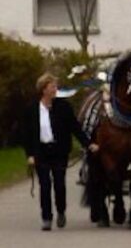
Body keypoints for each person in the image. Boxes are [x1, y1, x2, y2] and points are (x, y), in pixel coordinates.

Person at [22, 73, 85, 231]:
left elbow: (75, 127)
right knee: (44, 185)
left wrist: (88, 144)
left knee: (59, 184)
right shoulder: (32, 109)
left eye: (56, 86)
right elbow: (26, 134)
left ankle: (61, 211)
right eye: (52, 87)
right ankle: (46, 217)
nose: (55, 89)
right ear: (43, 89)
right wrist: (29, 155)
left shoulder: (63, 107)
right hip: (40, 152)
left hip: (59, 151)